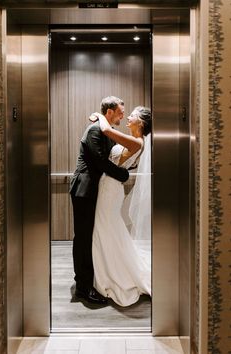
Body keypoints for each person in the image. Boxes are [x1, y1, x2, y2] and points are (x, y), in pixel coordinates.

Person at [70, 96, 129, 305]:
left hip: (95, 189)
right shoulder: (95, 130)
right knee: (83, 238)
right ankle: (83, 288)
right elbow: (101, 162)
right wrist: (124, 175)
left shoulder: (104, 129)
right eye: (120, 111)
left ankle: (90, 280)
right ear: (110, 112)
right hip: (84, 189)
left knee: (89, 236)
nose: (123, 115)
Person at [91, 106, 152, 306]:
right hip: (108, 186)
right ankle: (110, 266)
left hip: (110, 189)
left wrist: (100, 115)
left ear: (140, 124)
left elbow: (107, 131)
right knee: (108, 228)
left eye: (132, 116)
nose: (128, 117)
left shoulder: (136, 142)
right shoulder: (132, 140)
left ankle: (110, 273)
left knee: (103, 228)